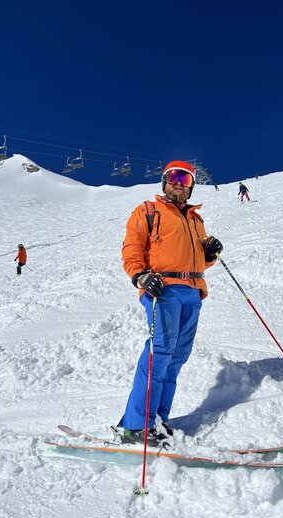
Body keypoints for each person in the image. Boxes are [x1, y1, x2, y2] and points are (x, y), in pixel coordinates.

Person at [117, 160, 223, 446]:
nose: (179, 182)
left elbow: (199, 260)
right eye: (174, 176)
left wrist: (210, 254)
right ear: (164, 182)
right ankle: (136, 425)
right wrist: (140, 276)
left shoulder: (195, 220)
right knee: (160, 352)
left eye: (185, 179)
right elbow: (132, 247)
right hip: (162, 288)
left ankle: (157, 420)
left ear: (190, 187)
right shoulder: (148, 211)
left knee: (177, 356)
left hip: (192, 291)